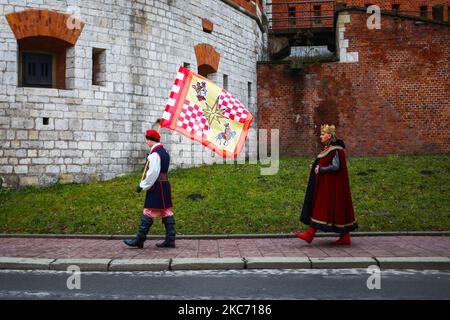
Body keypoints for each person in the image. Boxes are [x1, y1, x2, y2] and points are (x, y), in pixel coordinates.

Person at [294, 124, 357, 245]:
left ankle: (310, 234)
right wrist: (315, 166)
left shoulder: (336, 149)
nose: (320, 136)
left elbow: (336, 166)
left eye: (322, 134)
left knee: (321, 208)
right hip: (327, 185)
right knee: (332, 209)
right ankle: (345, 236)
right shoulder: (329, 148)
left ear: (329, 135)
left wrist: (321, 169)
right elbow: (325, 161)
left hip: (332, 187)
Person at [124, 129, 176, 249]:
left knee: (148, 211)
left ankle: (139, 239)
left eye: (147, 140)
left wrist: (142, 185)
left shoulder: (155, 154)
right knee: (165, 211)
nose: (147, 142)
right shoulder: (164, 152)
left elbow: (153, 173)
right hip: (164, 184)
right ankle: (170, 239)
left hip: (157, 185)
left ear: (151, 140)